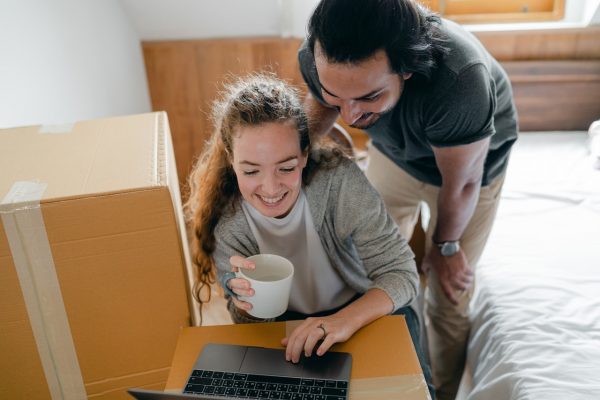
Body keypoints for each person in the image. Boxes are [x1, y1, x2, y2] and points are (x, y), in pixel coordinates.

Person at [297, 1, 519, 399]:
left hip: (470, 172)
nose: (349, 116)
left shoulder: (460, 77)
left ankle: (441, 392)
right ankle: (382, 384)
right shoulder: (318, 53)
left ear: (407, 69)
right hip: (396, 156)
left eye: (367, 97)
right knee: (368, 273)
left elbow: (463, 183)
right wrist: (289, 163)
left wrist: (445, 246)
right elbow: (321, 114)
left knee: (448, 293)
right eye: (337, 96)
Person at [184, 74, 434, 396]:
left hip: (365, 311)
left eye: (286, 168)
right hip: (292, 329)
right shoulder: (229, 224)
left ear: (304, 154)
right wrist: (245, 303)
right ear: (231, 161)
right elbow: (254, 330)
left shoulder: (338, 184)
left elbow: (402, 275)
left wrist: (340, 321)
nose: (271, 189)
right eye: (250, 171)